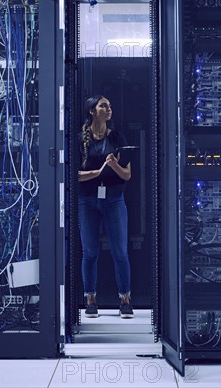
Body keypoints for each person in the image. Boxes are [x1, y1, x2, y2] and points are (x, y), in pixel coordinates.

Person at [77, 95, 133, 318]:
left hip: (114, 200)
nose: (109, 109)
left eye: (110, 105)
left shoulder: (118, 138)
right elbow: (74, 175)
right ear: (92, 111)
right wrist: (99, 172)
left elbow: (127, 175)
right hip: (88, 201)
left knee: (120, 251)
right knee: (89, 252)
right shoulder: (80, 138)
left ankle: (125, 299)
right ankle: (90, 299)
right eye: (103, 106)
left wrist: (114, 165)